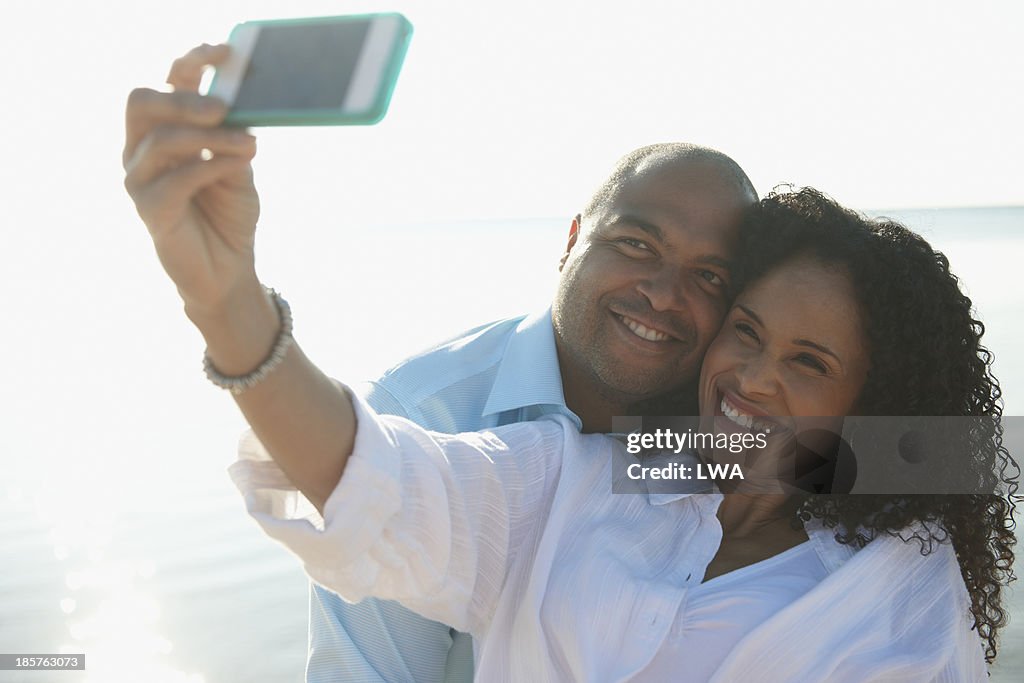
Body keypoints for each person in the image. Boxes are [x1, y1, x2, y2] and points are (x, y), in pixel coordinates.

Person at [123, 44, 756, 681]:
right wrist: (225, 299)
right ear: (571, 242)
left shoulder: (719, 428)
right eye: (636, 243)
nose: (666, 293)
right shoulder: (421, 417)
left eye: (709, 275)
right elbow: (368, 644)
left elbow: (846, 464)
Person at [227, 187, 1017, 681]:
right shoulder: (582, 472)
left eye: (808, 361)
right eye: (746, 330)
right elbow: (371, 482)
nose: (756, 375)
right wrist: (226, 297)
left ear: (865, 404)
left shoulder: (899, 581)